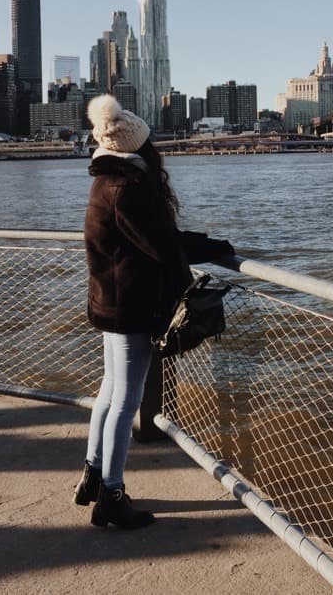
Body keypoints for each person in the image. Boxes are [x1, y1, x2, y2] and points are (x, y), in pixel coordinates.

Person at [74, 94, 234, 529]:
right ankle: (111, 494)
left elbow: (153, 241)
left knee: (109, 393)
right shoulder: (129, 189)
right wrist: (215, 248)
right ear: (139, 148)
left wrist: (200, 245)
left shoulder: (103, 182)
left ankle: (92, 474)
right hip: (130, 307)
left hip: (109, 302)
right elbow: (164, 246)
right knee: (126, 401)